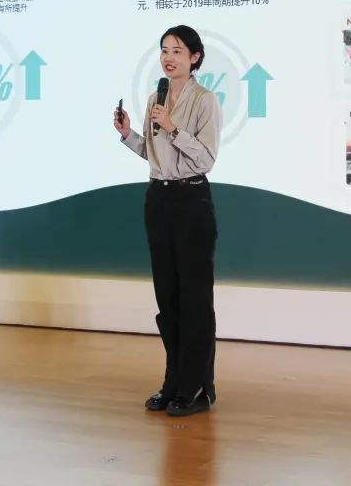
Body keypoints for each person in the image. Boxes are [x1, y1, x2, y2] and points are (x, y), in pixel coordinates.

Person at [113, 25, 222, 417]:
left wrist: (175, 129)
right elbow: (153, 153)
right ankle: (173, 382)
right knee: (168, 297)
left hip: (192, 199)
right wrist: (129, 134)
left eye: (177, 51)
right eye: (164, 50)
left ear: (195, 57)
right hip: (158, 200)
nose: (168, 58)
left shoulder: (205, 100)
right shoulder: (154, 100)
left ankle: (197, 387)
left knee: (194, 298)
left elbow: (206, 158)